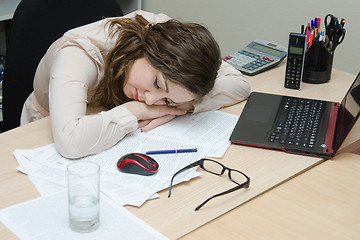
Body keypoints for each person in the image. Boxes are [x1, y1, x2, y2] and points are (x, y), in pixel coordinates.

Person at [20, 10, 250, 159]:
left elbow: (240, 85)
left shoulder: (172, 40)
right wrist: (136, 110)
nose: (151, 100)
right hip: (46, 127)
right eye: (157, 84)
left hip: (108, 129)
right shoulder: (80, 54)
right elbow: (70, 141)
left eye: (166, 99)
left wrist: (182, 107)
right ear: (147, 50)